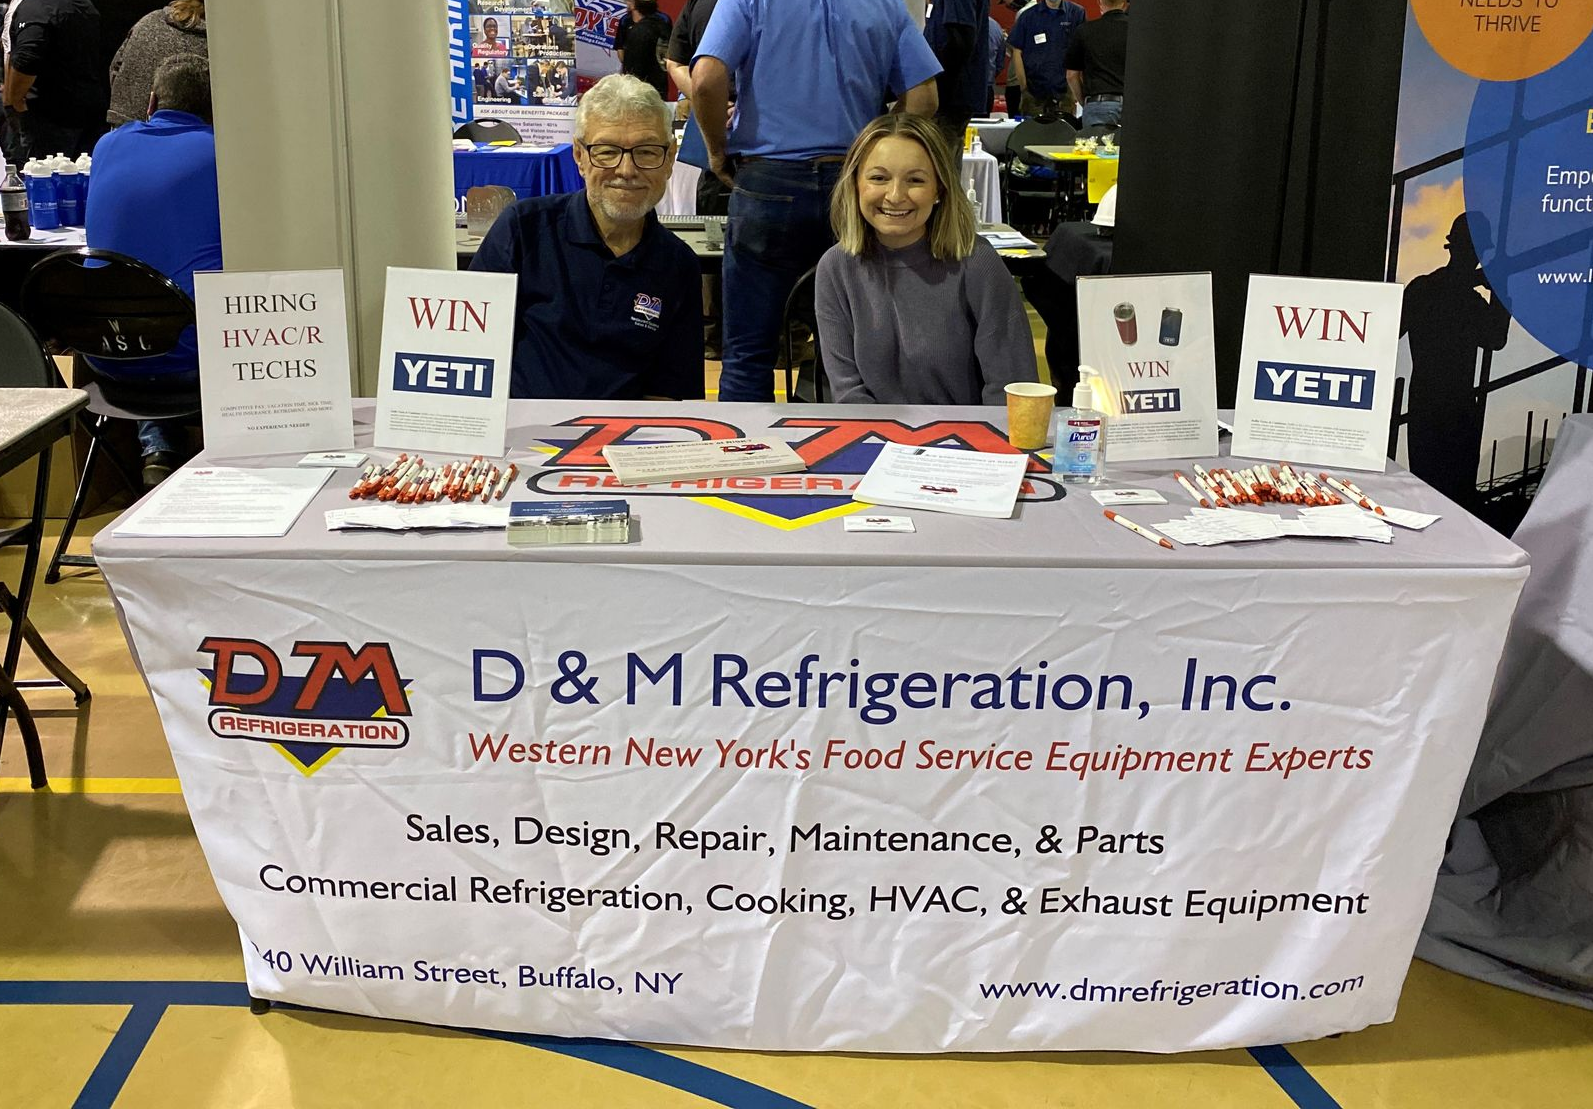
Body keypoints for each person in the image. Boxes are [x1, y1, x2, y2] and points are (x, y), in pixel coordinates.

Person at [693, 0, 941, 403]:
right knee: (845, 351)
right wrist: (877, 149)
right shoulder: (884, 5)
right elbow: (925, 98)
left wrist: (717, 151)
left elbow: (705, 79)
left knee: (747, 353)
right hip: (852, 184)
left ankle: (744, 456)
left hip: (767, 182)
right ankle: (840, 453)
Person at [470, 74, 702, 401]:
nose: (627, 169)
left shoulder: (679, 265)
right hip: (520, 437)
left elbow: (670, 395)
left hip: (622, 442)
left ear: (669, 159)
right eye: (607, 151)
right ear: (579, 156)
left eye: (647, 151)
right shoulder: (523, 230)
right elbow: (468, 355)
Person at [816, 114, 1037, 406]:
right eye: (879, 178)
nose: (895, 195)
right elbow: (848, 394)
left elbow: (1011, 390)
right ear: (855, 184)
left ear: (939, 190)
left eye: (915, 180)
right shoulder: (835, 268)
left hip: (968, 444)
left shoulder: (978, 263)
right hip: (873, 440)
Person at [84, 54, 220, 485]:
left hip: (103, 356)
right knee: (216, 315)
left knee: (150, 308)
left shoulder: (106, 147)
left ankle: (159, 450)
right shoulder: (224, 154)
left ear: (151, 101)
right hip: (192, 366)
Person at [1400, 213, 1511, 509]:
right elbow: (1496, 338)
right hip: (1456, 405)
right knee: (1454, 498)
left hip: (1425, 401)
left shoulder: (1422, 289)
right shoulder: (1467, 301)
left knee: (1428, 493)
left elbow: (1391, 330)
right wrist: (1500, 293)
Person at [3, 0, 105, 158]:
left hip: (49, 119)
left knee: (45, 177)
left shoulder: (36, 9)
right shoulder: (86, 5)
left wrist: (15, 101)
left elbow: (27, 59)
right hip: (88, 109)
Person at [105, 0, 207, 128]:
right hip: (180, 135)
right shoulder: (214, 42)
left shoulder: (149, 20)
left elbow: (115, 68)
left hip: (123, 125)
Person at [1008, 0, 1085, 119]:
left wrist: (1075, 90)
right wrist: (1024, 88)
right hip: (1034, 94)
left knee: (1064, 135)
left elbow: (1081, 51)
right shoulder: (1028, 17)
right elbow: (1017, 52)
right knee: (1034, 135)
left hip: (1065, 93)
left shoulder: (1076, 13)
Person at [1065, 0, 1128, 129]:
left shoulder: (1085, 31)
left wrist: (1084, 101)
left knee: (1096, 148)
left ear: (1100, 4)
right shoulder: (1138, 32)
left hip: (1098, 104)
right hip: (1135, 105)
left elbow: (1071, 75)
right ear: (1124, 4)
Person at [616, 0, 669, 100]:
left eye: (629, 1)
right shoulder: (625, 21)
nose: (626, 2)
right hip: (644, 83)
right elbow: (620, 49)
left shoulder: (662, 21)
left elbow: (667, 53)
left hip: (645, 85)